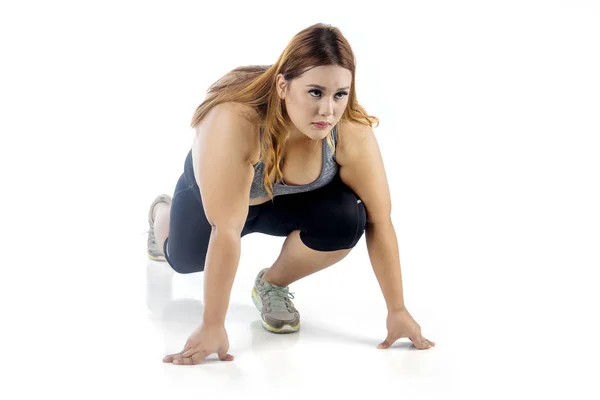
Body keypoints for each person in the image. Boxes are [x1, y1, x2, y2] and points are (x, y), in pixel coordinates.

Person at [148, 23, 435, 366]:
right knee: (184, 261)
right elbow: (225, 230)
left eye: (340, 94)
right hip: (218, 200)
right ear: (283, 85)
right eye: (315, 92)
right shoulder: (235, 120)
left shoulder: (349, 133)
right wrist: (213, 325)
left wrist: (397, 309)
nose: (328, 110)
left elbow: (381, 220)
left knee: (346, 218)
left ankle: (271, 284)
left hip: (284, 205)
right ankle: (161, 215)